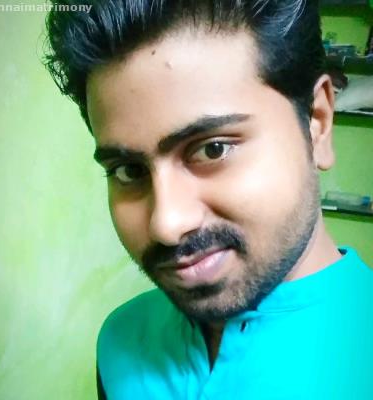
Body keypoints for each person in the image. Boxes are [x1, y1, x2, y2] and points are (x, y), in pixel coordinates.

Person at [44, 1, 373, 399]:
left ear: (317, 122)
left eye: (213, 149)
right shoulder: (120, 340)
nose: (166, 224)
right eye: (128, 171)